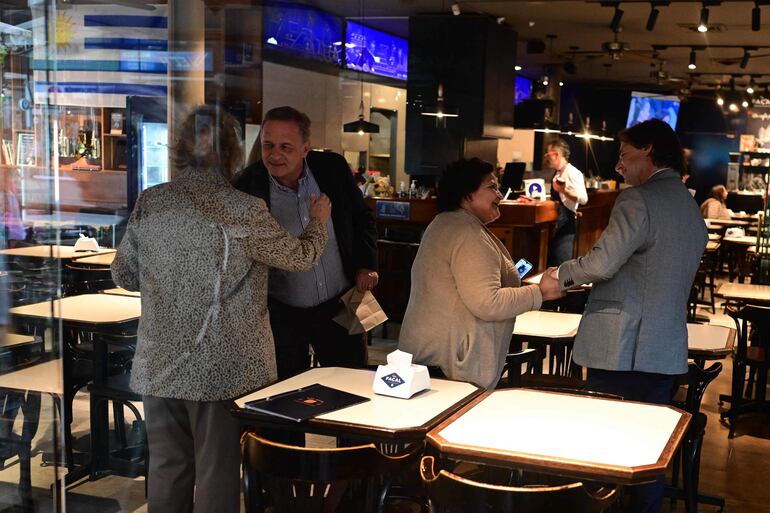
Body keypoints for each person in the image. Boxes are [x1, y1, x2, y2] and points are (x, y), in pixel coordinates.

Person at [111, 105, 330, 513]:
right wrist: (318, 222)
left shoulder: (152, 202)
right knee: (217, 473)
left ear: (179, 148)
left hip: (159, 364)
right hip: (222, 370)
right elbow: (300, 257)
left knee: (167, 471)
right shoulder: (243, 210)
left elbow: (123, 274)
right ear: (233, 152)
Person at [540, 119, 707, 513]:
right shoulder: (688, 205)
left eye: (624, 154)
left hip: (621, 348)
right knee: (649, 452)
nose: (618, 165)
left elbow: (602, 263)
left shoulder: (637, 199)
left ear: (648, 150)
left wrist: (560, 274)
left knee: (602, 450)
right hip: (664, 349)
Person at [232, 106, 378, 379]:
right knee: (288, 391)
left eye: (286, 147)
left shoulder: (333, 168)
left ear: (305, 148)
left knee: (354, 381)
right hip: (282, 312)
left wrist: (365, 264)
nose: (274, 155)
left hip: (343, 301)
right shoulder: (247, 186)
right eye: (268, 145)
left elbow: (362, 218)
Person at [398, 158, 563, 390]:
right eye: (491, 186)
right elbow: (488, 302)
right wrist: (540, 292)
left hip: (433, 359)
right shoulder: (467, 233)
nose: (499, 194)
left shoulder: (446, 223)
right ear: (466, 193)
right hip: (450, 366)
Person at [545, 138, 588, 266]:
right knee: (552, 262)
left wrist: (564, 191)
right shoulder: (558, 172)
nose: (547, 158)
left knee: (561, 262)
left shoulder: (573, 173)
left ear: (556, 154)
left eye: (548, 155)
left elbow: (583, 199)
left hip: (567, 223)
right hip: (556, 222)